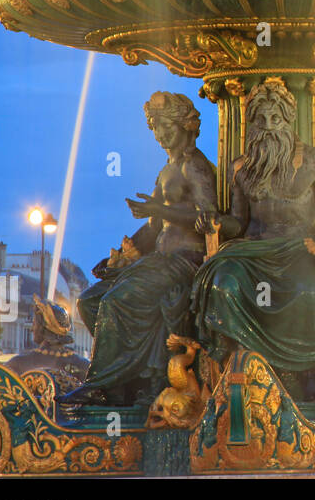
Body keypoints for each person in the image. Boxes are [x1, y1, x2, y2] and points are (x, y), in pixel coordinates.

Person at [192, 80, 315, 397]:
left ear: (288, 120)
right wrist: (213, 222)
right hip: (252, 251)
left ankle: (301, 373)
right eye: (261, 120)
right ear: (251, 122)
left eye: (275, 119)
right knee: (223, 284)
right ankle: (238, 370)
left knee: (308, 290)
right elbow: (238, 222)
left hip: (298, 249)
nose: (268, 127)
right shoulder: (241, 167)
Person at [66, 93, 216, 405]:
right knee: (90, 301)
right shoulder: (167, 170)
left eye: (166, 128)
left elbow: (207, 216)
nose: (160, 136)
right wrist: (124, 252)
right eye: (155, 129)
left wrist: (159, 211)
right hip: (158, 261)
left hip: (184, 262)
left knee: (116, 301)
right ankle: (127, 380)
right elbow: (153, 228)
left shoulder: (196, 168)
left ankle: (102, 384)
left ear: (185, 127)